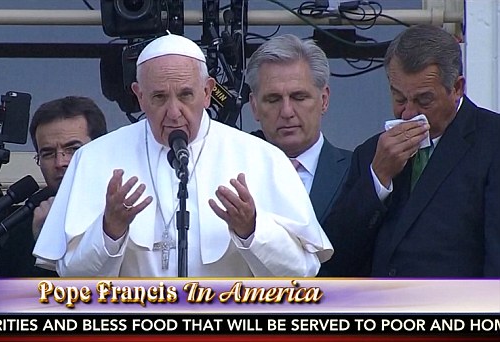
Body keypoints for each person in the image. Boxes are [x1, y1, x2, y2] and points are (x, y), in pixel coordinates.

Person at [33, 33, 333, 277]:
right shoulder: (95, 158)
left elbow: (302, 274)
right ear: (139, 95)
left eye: (186, 95)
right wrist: (109, 230)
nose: (174, 112)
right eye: (159, 97)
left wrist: (253, 228)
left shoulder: (261, 158)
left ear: (207, 91)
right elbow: (70, 279)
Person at [322, 24, 500, 277]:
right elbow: (336, 259)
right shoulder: (371, 152)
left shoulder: (492, 140)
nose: (408, 113)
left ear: (457, 88)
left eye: (423, 100)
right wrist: (378, 178)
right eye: (399, 98)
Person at [246, 34, 351, 224]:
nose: (287, 111)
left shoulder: (357, 172)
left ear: (324, 100)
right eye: (273, 99)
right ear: (254, 107)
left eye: (299, 97)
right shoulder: (233, 172)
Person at [0, 96, 107, 277]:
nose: (60, 162)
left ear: (102, 150)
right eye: (48, 153)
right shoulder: (22, 226)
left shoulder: (133, 208)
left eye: (73, 149)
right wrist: (40, 243)